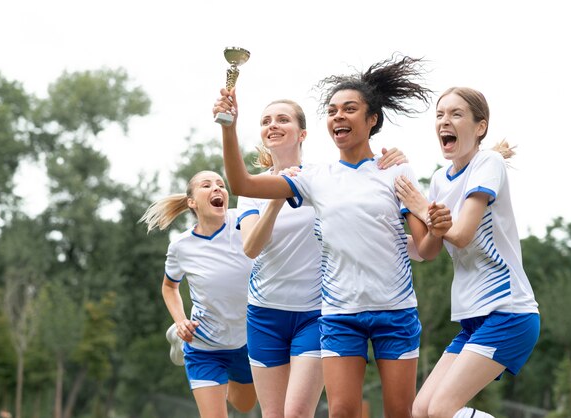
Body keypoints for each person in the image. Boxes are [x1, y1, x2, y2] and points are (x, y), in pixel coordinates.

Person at [214, 54, 447, 418]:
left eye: (350, 109)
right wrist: (229, 127)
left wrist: (436, 224)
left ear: (372, 120)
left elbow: (427, 249)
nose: (338, 116)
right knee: (340, 412)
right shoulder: (315, 178)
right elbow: (242, 183)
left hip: (395, 312)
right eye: (333, 110)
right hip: (339, 315)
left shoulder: (395, 169)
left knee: (400, 412)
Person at [236, 98, 410, 418]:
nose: (273, 125)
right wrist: (279, 196)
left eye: (283, 119)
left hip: (315, 313)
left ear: (302, 133)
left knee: (297, 413)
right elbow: (251, 247)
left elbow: (363, 217)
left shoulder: (321, 178)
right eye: (266, 120)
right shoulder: (253, 189)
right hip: (264, 314)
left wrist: (393, 159)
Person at [395, 87, 540, 418]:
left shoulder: (488, 163)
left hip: (509, 312)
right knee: (421, 411)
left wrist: (418, 204)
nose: (445, 121)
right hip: (474, 319)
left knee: (442, 409)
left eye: (456, 114)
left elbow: (460, 235)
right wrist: (392, 231)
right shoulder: (438, 180)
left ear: (480, 127)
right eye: (440, 114)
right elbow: (427, 250)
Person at [140, 170, 257, 418]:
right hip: (204, 344)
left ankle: (222, 382)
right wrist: (180, 320)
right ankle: (181, 338)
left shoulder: (243, 221)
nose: (217, 188)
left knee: (245, 404)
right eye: (206, 185)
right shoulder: (181, 246)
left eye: (220, 184)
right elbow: (169, 286)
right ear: (192, 201)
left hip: (247, 341)